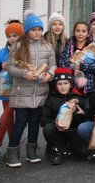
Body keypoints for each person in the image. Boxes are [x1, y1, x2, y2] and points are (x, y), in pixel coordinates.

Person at [5, 11, 56, 167]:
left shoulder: (47, 46)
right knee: (20, 123)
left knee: (34, 123)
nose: (37, 33)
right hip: (22, 92)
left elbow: (53, 65)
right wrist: (24, 73)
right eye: (34, 30)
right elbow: (10, 67)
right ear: (27, 31)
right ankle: (12, 153)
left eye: (39, 30)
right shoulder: (18, 46)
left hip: (40, 92)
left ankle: (31, 152)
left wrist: (50, 75)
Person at [0, 19, 22, 157]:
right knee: (8, 120)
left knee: (5, 118)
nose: (12, 38)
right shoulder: (1, 52)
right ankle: (13, 146)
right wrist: (0, 66)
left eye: (15, 35)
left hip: (20, 90)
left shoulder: (25, 51)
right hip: (5, 90)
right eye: (9, 36)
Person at [40, 68, 86, 165]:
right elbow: (43, 119)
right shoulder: (51, 98)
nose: (63, 87)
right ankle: (56, 149)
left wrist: (75, 111)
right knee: (48, 129)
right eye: (59, 84)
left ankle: (70, 147)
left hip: (73, 130)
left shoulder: (78, 98)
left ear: (70, 85)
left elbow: (84, 119)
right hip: (57, 130)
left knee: (83, 154)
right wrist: (55, 123)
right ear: (56, 86)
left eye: (65, 83)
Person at [59, 21, 95, 94]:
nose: (80, 34)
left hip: (89, 87)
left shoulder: (93, 47)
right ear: (74, 32)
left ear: (88, 34)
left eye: (83, 31)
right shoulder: (68, 45)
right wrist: (73, 70)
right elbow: (62, 63)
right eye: (78, 31)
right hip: (71, 86)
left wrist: (82, 67)